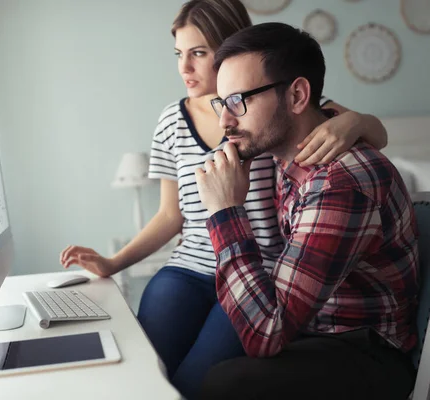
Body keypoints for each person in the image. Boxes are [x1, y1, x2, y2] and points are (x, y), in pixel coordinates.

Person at [60, 1, 388, 398]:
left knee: (196, 384)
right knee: (144, 371)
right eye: (179, 55)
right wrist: (113, 263)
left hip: (260, 267)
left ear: (230, 50)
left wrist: (357, 122)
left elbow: (362, 132)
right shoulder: (173, 120)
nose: (185, 68)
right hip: (191, 265)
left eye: (198, 53)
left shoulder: (280, 116)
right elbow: (170, 215)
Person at [195, 22, 418, 399]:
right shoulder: (295, 142)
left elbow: (266, 334)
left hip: (365, 349)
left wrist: (224, 212)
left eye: (238, 102)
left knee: (223, 384)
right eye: (221, 103)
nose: (224, 121)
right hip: (314, 325)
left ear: (298, 96)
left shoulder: (339, 183)